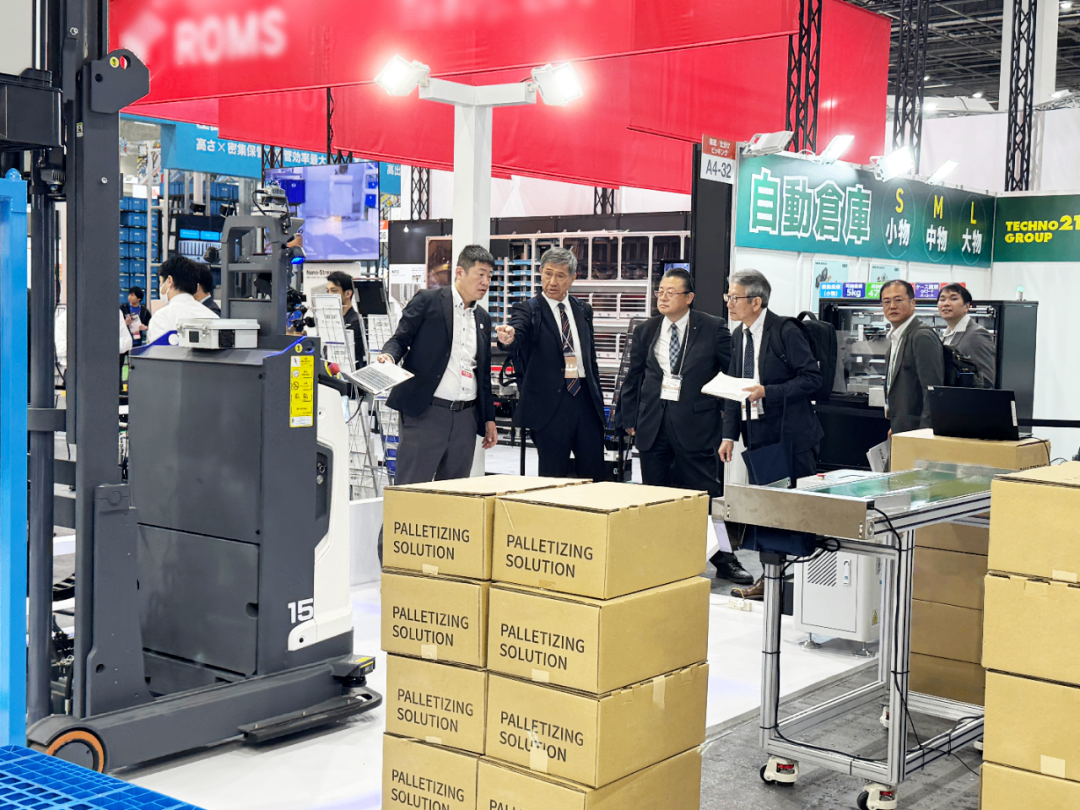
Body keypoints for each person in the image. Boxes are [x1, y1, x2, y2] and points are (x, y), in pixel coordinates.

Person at [619, 268, 748, 585]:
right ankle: (661, 558)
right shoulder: (647, 329)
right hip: (653, 426)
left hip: (697, 427)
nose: (663, 297)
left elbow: (731, 381)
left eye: (671, 292)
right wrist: (629, 420)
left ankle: (725, 558)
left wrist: (729, 431)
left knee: (705, 497)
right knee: (657, 497)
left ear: (689, 298)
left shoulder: (713, 328)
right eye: (660, 291)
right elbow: (634, 376)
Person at [376, 245, 498, 486]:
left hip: (466, 417)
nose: (486, 282)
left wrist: (489, 419)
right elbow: (401, 339)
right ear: (460, 272)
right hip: (427, 412)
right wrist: (388, 356)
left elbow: (482, 374)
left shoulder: (482, 318)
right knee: (411, 488)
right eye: (480, 274)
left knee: (453, 493)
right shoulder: (428, 301)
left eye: (490, 276)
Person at [495, 247, 606, 481]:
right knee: (553, 475)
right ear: (540, 272)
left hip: (585, 400)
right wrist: (509, 337)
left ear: (573, 278)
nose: (552, 282)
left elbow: (590, 358)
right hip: (550, 405)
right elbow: (517, 331)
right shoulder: (529, 310)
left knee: (594, 472)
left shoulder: (583, 310)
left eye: (560, 275)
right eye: (548, 274)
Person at [880, 279, 944, 435]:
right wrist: (897, 425)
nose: (892, 306)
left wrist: (924, 433)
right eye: (886, 302)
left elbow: (932, 390)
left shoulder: (921, 336)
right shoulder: (897, 337)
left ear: (912, 303)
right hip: (903, 427)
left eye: (898, 300)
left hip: (918, 431)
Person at [146, 254, 219, 344]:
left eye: (161, 282)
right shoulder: (213, 317)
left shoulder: (162, 318)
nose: (161, 287)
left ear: (169, 281)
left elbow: (158, 351)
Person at [937, 283, 995, 384]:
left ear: (967, 306)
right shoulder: (948, 334)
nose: (946, 303)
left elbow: (987, 380)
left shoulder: (976, 335)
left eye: (953, 299)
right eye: (942, 299)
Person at [327, 271, 366, 369]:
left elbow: (353, 354)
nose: (330, 295)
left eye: (334, 291)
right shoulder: (330, 321)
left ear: (348, 293)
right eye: (328, 291)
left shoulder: (356, 322)